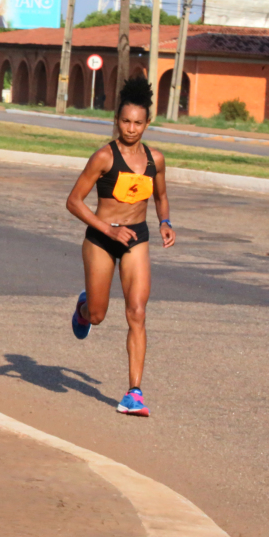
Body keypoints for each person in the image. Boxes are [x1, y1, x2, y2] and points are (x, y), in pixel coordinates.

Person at [64, 77, 176, 417]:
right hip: (101, 239)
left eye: (138, 123)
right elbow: (74, 201)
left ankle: (134, 393)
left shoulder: (156, 159)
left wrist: (165, 222)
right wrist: (108, 230)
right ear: (117, 120)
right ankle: (84, 308)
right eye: (126, 121)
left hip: (137, 239)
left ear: (147, 122)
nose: (131, 128)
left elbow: (161, 196)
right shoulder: (104, 157)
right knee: (98, 316)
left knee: (137, 313)